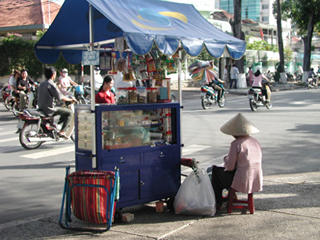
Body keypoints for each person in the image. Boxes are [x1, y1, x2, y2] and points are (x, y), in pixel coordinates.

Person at [211, 113, 263, 210]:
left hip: (241, 179)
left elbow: (230, 166)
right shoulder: (255, 141)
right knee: (225, 172)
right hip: (254, 178)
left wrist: (225, 159)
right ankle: (230, 196)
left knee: (216, 172)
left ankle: (218, 202)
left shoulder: (236, 144)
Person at [38, 66, 77, 139]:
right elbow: (60, 97)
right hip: (49, 109)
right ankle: (62, 131)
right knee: (69, 113)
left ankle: (55, 126)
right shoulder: (51, 84)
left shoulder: (42, 83)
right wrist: (71, 100)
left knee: (62, 110)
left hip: (41, 107)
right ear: (53, 75)